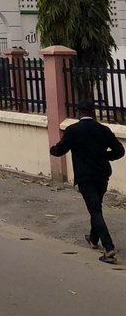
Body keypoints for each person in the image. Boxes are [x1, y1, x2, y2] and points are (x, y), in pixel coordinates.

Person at [50, 99, 125, 264]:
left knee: (95, 211)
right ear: (93, 112)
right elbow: (120, 151)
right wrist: (104, 157)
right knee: (96, 206)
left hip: (85, 177)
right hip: (102, 175)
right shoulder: (103, 130)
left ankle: (109, 247)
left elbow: (60, 150)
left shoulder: (73, 130)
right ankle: (93, 238)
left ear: (79, 113)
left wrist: (53, 150)